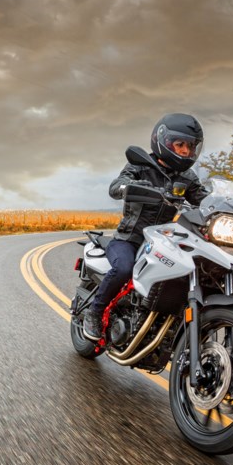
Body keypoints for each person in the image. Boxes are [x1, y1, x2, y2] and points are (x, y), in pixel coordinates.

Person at [82, 113, 210, 342]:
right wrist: (130, 186)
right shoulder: (140, 164)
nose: (184, 151)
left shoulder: (187, 177)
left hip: (163, 240)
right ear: (163, 141)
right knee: (123, 268)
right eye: (180, 145)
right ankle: (95, 311)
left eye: (190, 146)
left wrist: (223, 205)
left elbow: (204, 200)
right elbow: (116, 186)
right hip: (129, 239)